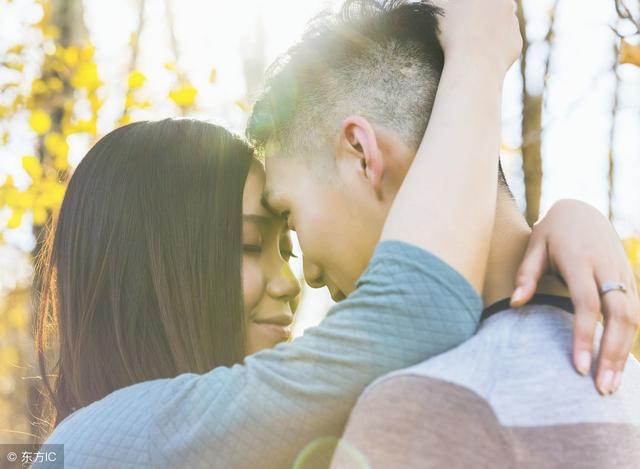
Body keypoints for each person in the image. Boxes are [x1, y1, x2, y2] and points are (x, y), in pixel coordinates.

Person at [34, 1, 637, 469]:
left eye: (289, 235)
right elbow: (411, 312)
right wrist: (479, 55)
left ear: (362, 152)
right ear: (158, 269)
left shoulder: (382, 416)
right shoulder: (91, 448)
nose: (298, 280)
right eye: (253, 243)